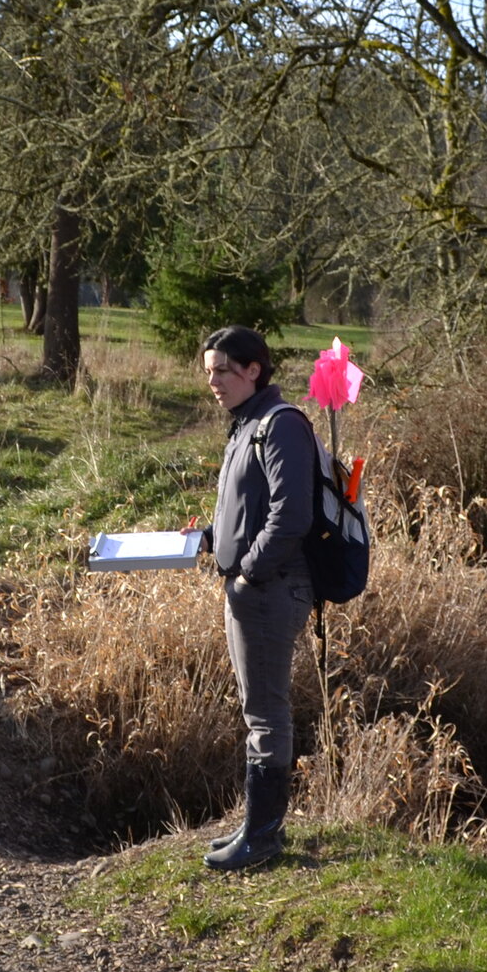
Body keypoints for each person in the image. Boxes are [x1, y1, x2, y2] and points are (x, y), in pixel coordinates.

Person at [201, 324, 318, 871]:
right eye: (209, 372)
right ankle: (255, 828)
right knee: (257, 712)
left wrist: (247, 573)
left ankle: (263, 840)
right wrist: (206, 541)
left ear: (254, 369)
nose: (214, 382)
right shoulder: (245, 424)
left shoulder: (280, 425)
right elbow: (250, 511)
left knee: (267, 714)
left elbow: (291, 516)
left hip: (270, 589)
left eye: (223, 370)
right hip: (252, 585)